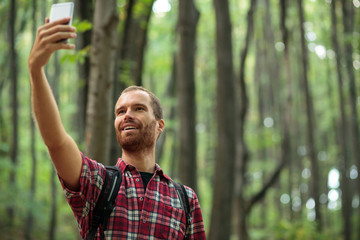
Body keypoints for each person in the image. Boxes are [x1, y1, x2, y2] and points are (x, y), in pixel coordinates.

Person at [28, 17, 206, 239]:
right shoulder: (99, 183)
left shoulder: (185, 199)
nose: (127, 115)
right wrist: (36, 70)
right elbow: (56, 142)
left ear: (160, 125)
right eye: (120, 112)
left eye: (139, 108)